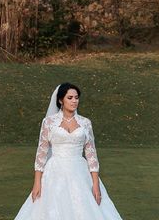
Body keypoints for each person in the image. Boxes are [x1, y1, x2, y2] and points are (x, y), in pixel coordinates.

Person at [13, 83, 124, 219]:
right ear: (61, 100)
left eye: (76, 98)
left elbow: (91, 155)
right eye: (70, 98)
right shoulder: (48, 122)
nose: (74, 101)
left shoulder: (85, 123)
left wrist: (95, 184)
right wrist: (37, 182)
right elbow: (41, 154)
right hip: (55, 172)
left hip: (79, 171)